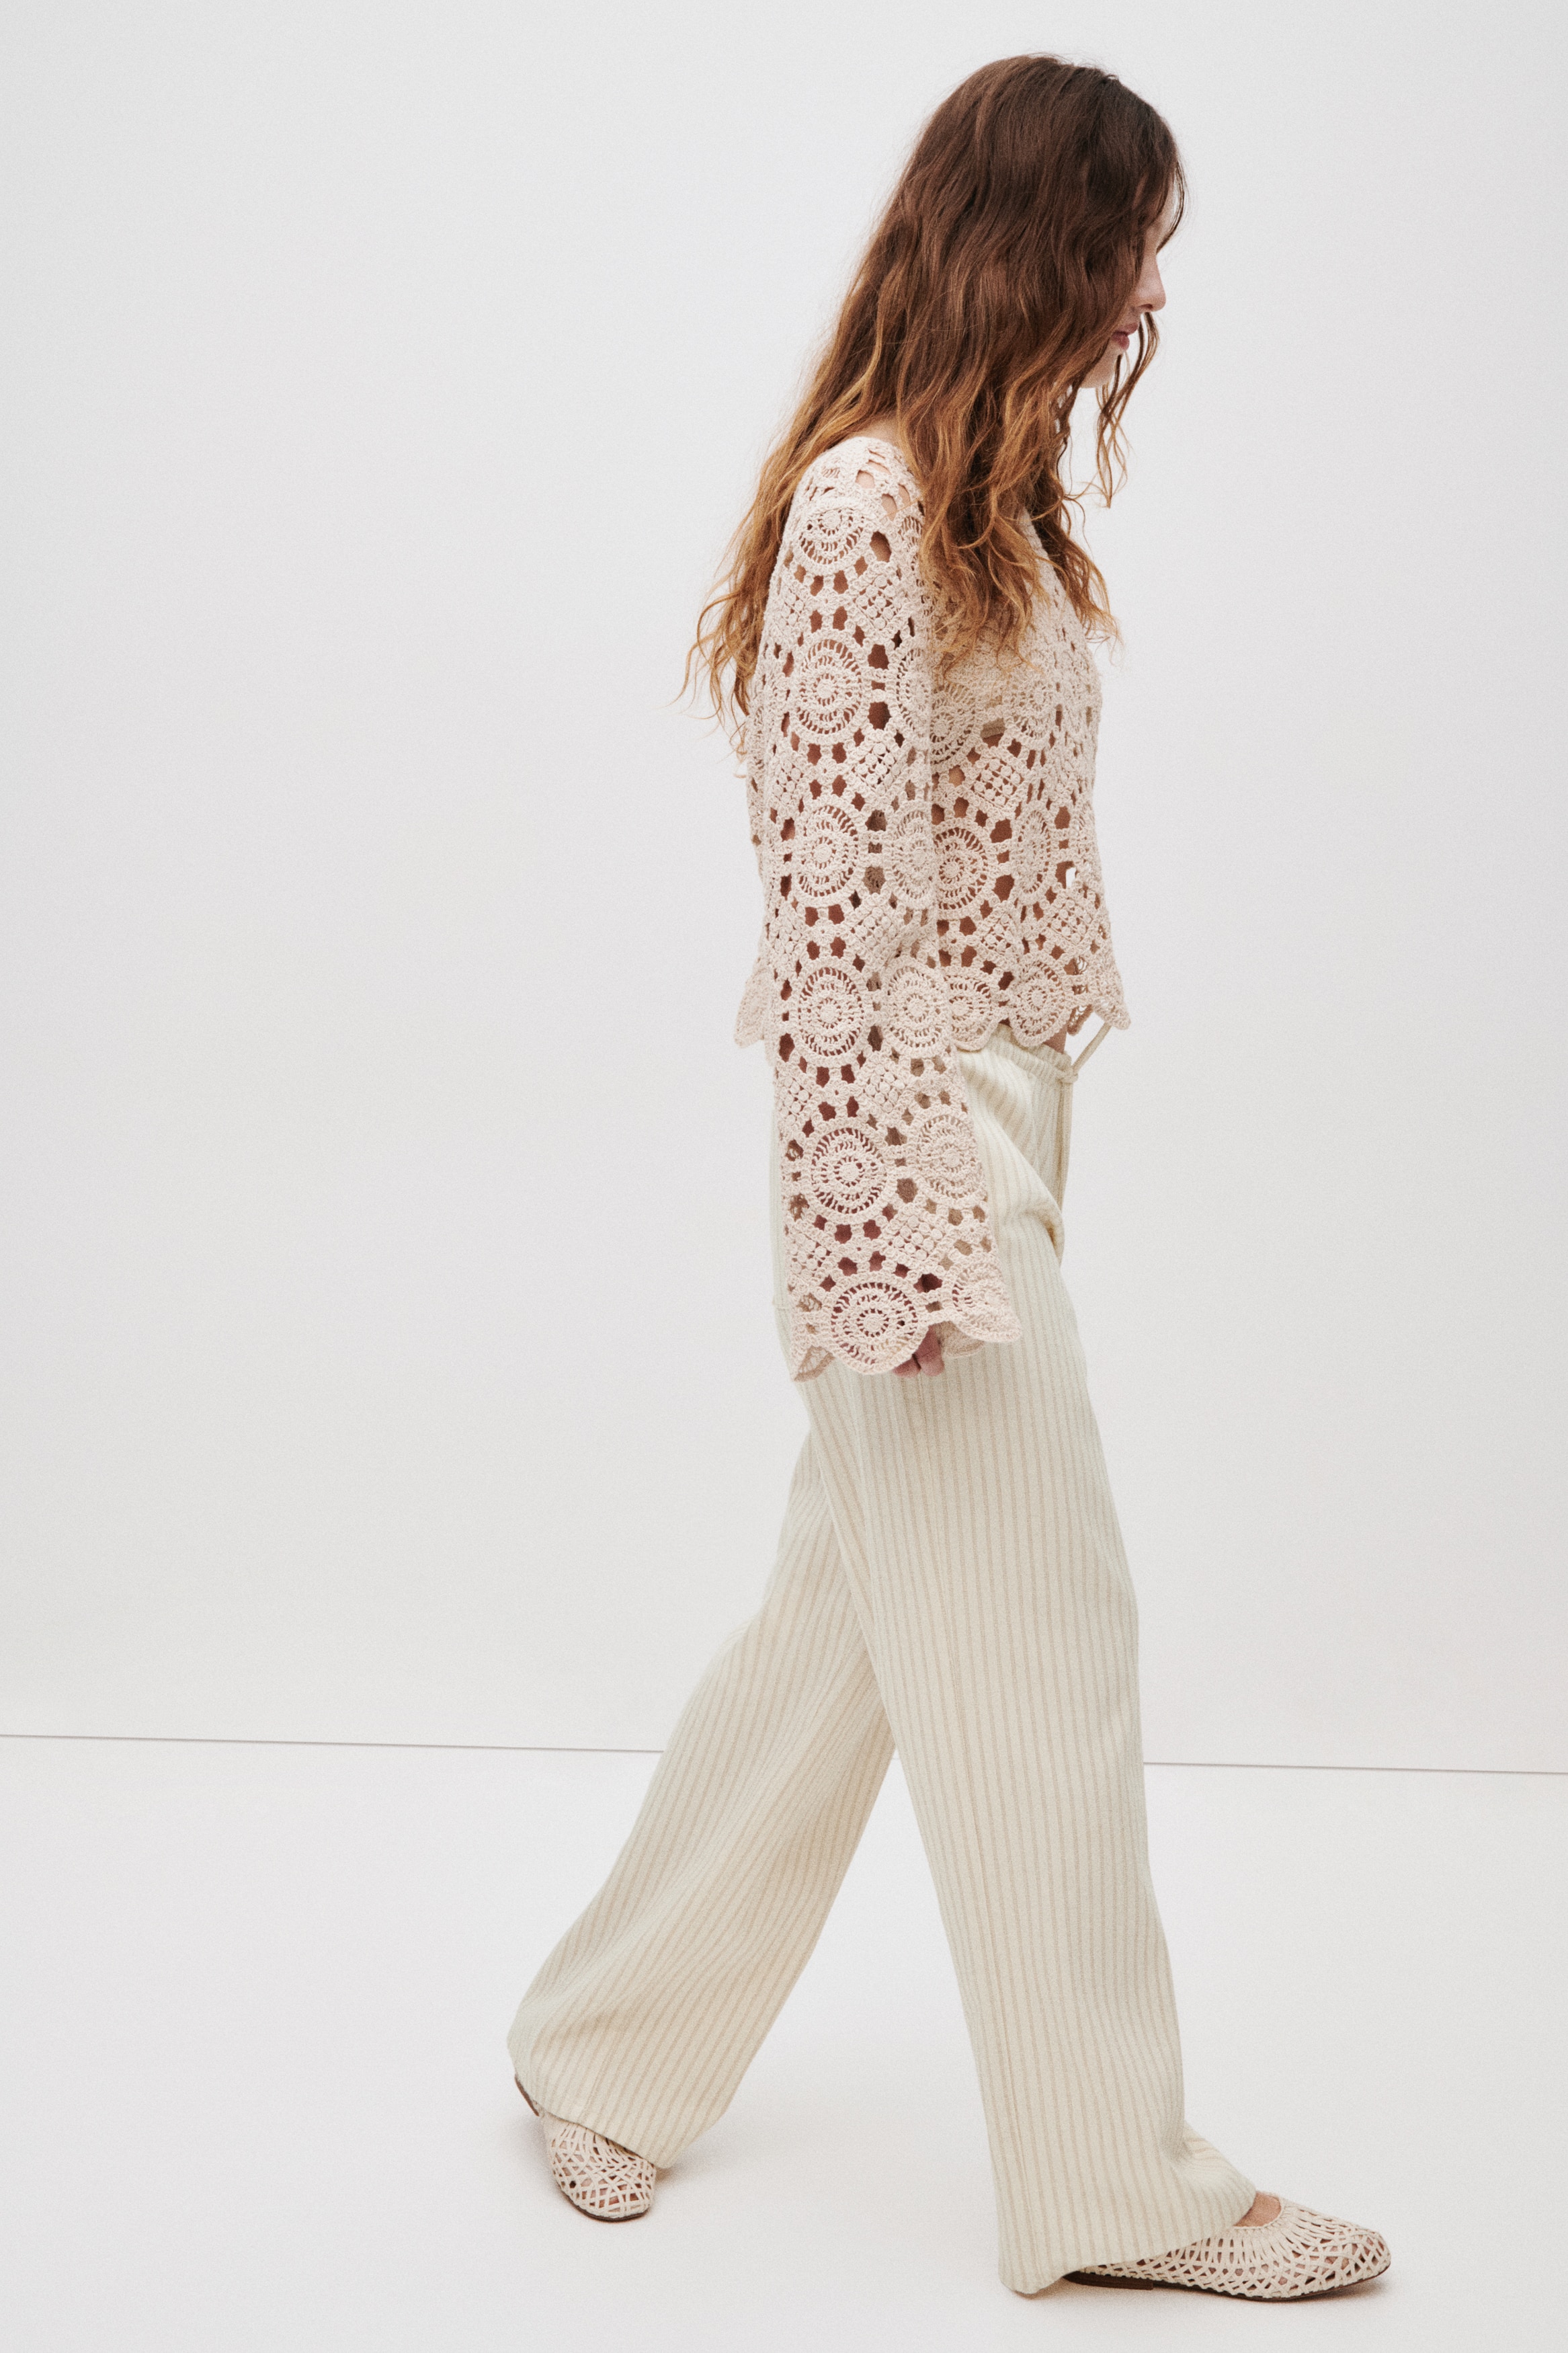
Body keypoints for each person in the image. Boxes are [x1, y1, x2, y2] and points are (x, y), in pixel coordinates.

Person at [508, 54, 1390, 2302]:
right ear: (1038, 242)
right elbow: (832, 932)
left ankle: (601, 2049)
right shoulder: (862, 515)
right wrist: (896, 1233)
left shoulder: (992, 515)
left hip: (994, 1121)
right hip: (911, 1145)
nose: (1151, 291)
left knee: (848, 1644)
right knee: (1046, 1641)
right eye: (1132, 243)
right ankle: (1116, 2185)